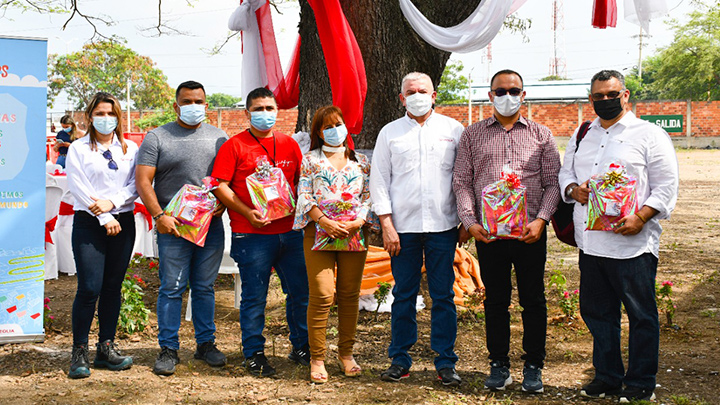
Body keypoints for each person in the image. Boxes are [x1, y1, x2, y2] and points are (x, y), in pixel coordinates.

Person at [559, 70, 679, 403]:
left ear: (625, 95)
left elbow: (667, 186)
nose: (605, 101)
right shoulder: (583, 132)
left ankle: (641, 381)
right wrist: (573, 190)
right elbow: (566, 171)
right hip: (592, 243)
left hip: (632, 245)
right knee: (598, 314)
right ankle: (608, 376)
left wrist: (641, 217)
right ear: (591, 99)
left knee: (641, 315)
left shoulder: (650, 135)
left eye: (612, 95)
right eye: (598, 96)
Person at [452, 69, 561, 393]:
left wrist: (541, 220)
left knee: (533, 300)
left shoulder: (542, 135)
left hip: (529, 234)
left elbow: (552, 183)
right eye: (500, 91)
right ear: (490, 96)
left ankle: (533, 365)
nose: (507, 96)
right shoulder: (472, 135)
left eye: (514, 90)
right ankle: (498, 363)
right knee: (495, 301)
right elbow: (461, 182)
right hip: (490, 236)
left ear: (523, 95)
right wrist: (470, 222)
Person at [370, 72, 464, 386]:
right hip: (403, 229)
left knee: (443, 295)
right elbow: (379, 180)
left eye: (423, 90)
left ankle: (446, 362)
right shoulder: (390, 133)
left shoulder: (453, 130)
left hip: (443, 225)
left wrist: (465, 220)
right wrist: (386, 224)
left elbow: (463, 177)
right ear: (402, 98)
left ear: (434, 94)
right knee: (403, 294)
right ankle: (400, 359)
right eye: (411, 91)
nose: (417, 94)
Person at [212, 87, 310, 377]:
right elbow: (220, 185)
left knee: (299, 293)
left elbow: (300, 183)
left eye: (269, 108)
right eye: (258, 109)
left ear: (277, 111)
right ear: (247, 112)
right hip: (251, 234)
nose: (264, 114)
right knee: (255, 297)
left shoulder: (289, 144)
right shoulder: (234, 146)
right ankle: (253, 354)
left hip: (290, 233)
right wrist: (246, 212)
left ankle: (301, 347)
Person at [136, 81, 228, 376]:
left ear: (206, 105)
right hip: (172, 228)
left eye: (198, 101)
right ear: (176, 106)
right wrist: (159, 215)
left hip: (209, 227)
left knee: (204, 287)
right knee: (172, 287)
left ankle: (205, 344)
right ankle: (168, 348)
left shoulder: (219, 138)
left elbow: (226, 181)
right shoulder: (157, 137)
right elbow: (143, 182)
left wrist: (224, 205)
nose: (193, 106)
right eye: (187, 101)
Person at [292, 106, 371, 383]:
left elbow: (368, 196)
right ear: (317, 132)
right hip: (318, 234)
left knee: (350, 295)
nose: (334, 130)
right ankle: (317, 357)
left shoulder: (361, 161)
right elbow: (303, 195)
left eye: (338, 124)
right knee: (323, 295)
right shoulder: (309, 160)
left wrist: (358, 222)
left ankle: (346, 354)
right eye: (327, 126)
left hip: (352, 234)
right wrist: (323, 220)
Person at [65, 92, 138, 379]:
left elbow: (136, 184)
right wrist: (104, 215)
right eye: (100, 113)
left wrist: (114, 203)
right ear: (89, 115)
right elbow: (78, 185)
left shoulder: (130, 148)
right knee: (89, 288)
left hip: (123, 222)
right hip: (90, 222)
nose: (105, 119)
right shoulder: (78, 149)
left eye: (111, 113)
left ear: (118, 117)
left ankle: (105, 348)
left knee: (112, 287)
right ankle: (79, 351)